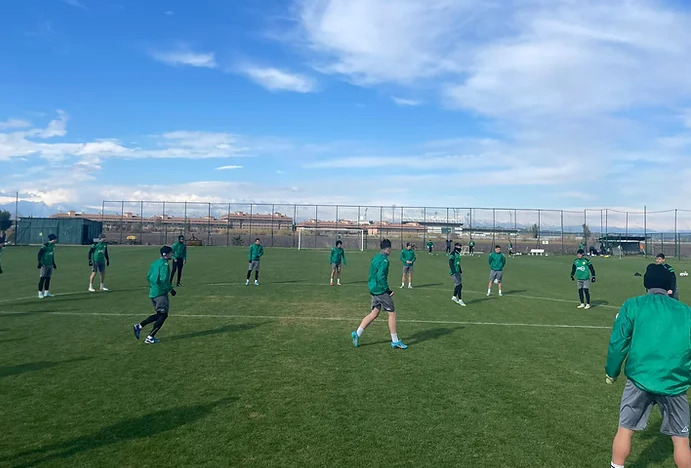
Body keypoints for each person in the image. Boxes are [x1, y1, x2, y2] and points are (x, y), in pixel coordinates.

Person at [605, 263, 691, 468]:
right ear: (669, 286)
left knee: (625, 429)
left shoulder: (633, 305)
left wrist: (611, 371)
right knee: (681, 440)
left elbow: (618, 342)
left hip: (639, 378)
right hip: (674, 382)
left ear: (646, 284)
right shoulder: (686, 312)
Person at [351, 239, 407, 349]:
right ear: (388, 249)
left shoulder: (375, 257)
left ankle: (357, 333)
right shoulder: (384, 261)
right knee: (392, 313)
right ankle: (395, 341)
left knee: (374, 313)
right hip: (380, 290)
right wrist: (387, 290)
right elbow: (381, 276)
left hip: (373, 288)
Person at [133, 246, 177, 344]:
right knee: (163, 315)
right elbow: (163, 279)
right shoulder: (164, 264)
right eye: (171, 253)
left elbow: (148, 277)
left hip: (153, 292)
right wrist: (171, 290)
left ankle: (139, 326)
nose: (172, 254)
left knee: (160, 314)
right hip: (160, 293)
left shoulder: (155, 263)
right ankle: (150, 337)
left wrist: (153, 287)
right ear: (166, 254)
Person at [37, 233, 58, 298]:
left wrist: (53, 263)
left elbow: (52, 255)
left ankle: (46, 292)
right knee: (42, 278)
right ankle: (40, 293)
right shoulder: (45, 245)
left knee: (48, 278)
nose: (56, 240)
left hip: (50, 264)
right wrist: (39, 262)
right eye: (55, 239)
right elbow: (39, 254)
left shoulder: (53, 246)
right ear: (52, 239)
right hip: (44, 264)